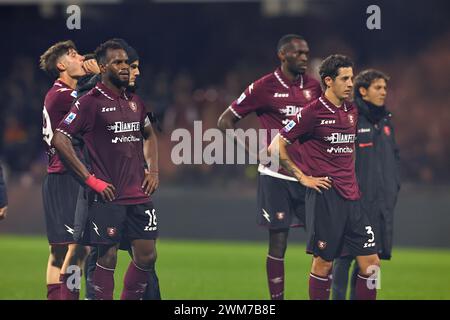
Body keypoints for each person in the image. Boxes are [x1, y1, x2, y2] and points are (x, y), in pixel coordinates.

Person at [52, 40, 159, 300]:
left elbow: (149, 134)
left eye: (127, 63)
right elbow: (60, 138)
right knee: (106, 257)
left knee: (147, 255)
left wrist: (153, 170)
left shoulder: (135, 101)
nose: (125, 68)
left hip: (138, 193)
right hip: (107, 196)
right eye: (118, 63)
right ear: (102, 68)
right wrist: (91, 180)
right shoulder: (90, 102)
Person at [218, 34, 321, 300]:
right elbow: (225, 121)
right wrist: (253, 153)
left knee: (324, 243)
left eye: (306, 52)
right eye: (298, 53)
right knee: (278, 243)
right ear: (282, 55)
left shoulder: (314, 86)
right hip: (276, 175)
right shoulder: (263, 87)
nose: (304, 57)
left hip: (310, 176)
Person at [269, 54, 380, 300]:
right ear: (328, 81)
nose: (351, 83)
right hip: (325, 198)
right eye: (345, 79)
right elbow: (275, 148)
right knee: (324, 264)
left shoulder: (351, 110)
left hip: (353, 198)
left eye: (352, 78)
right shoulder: (312, 112)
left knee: (372, 263)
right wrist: (302, 177)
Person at [332, 69, 400, 300]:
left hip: (380, 205)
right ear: (363, 90)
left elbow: (393, 159)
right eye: (378, 87)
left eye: (385, 88)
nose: (383, 92)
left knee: (373, 262)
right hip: (355, 204)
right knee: (344, 257)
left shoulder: (386, 121)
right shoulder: (351, 119)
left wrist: (394, 188)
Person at [39, 40, 89, 300]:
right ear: (61, 65)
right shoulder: (62, 95)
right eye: (74, 55)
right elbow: (92, 103)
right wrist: (99, 72)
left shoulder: (59, 94)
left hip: (56, 177)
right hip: (69, 177)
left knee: (59, 252)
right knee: (78, 249)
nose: (81, 57)